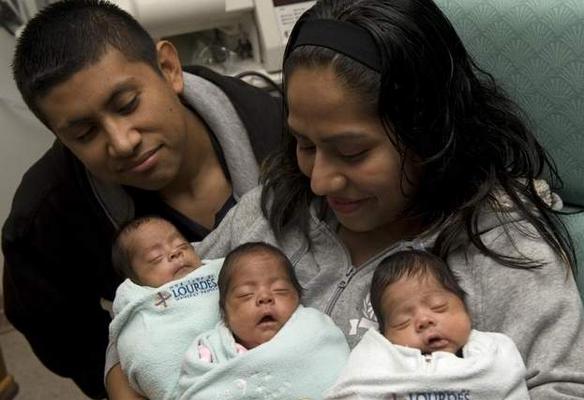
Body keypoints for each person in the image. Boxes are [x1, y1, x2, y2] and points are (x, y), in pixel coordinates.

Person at [190, 0, 584, 398]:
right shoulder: (275, 209)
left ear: (428, 135)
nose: (318, 181)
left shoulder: (501, 250)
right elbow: (157, 300)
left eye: (352, 153)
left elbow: (566, 390)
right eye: (305, 144)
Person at [1, 0, 282, 397]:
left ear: (169, 69)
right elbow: (58, 333)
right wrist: (129, 373)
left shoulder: (283, 134)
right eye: (84, 134)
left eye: (127, 105)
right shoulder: (45, 221)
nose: (122, 142)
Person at [325, 250, 530, 399]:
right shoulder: (377, 357)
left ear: (466, 309)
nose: (424, 321)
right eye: (402, 321)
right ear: (384, 334)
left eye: (438, 307)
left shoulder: (493, 352)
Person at [176, 241, 350, 399]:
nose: (265, 297)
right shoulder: (208, 352)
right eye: (246, 294)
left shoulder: (316, 331)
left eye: (280, 290)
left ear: (298, 299)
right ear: (224, 313)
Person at [109, 216, 224, 400]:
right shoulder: (140, 305)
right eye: (156, 258)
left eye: (182, 245)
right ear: (135, 282)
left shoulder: (218, 270)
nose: (175, 253)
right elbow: (143, 350)